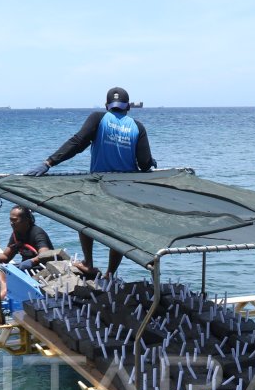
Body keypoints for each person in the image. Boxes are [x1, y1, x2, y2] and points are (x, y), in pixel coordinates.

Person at [24, 87, 157, 277]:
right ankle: (110, 273)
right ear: (128, 107)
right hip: (126, 188)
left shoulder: (98, 118)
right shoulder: (138, 127)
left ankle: (88, 262)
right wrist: (150, 161)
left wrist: (49, 162)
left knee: (84, 219)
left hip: (100, 185)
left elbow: (77, 143)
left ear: (106, 106)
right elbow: (144, 165)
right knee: (118, 229)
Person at [0, 206, 56, 297]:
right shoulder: (16, 234)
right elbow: (6, 257)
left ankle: (9, 290)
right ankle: (5, 288)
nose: (11, 223)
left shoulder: (37, 233)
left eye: (15, 220)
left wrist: (31, 261)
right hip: (25, 269)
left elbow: (45, 254)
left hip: (40, 270)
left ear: (26, 220)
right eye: (10, 220)